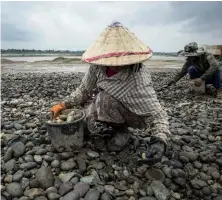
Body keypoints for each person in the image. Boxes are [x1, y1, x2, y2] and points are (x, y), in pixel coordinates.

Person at [50, 21, 171, 164]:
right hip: (108, 103)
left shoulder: (137, 76)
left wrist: (159, 141)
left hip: (134, 114)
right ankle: (98, 125)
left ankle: (122, 130)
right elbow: (84, 90)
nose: (114, 63)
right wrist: (63, 104)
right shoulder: (97, 67)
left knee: (103, 98)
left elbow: (157, 114)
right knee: (84, 115)